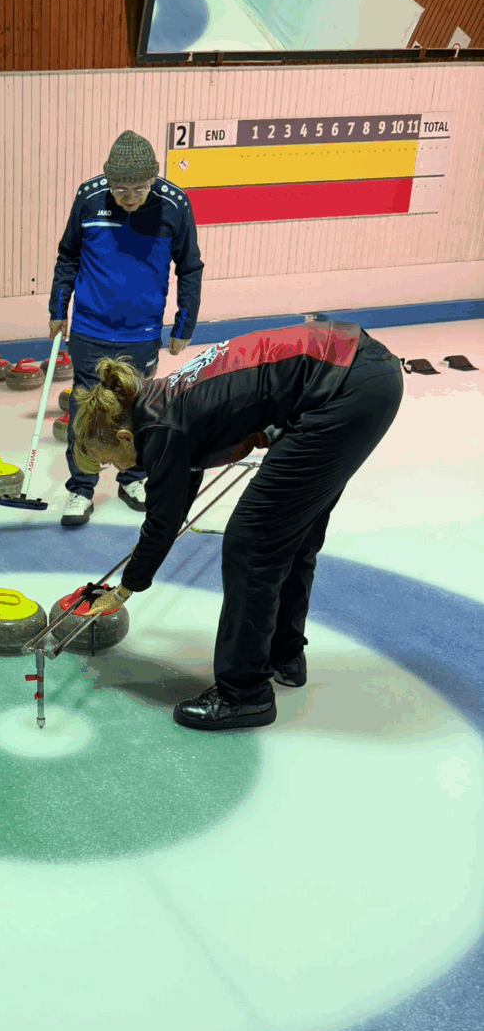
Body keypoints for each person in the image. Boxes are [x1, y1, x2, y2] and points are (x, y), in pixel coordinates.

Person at [69, 317, 404, 731]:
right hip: (361, 370)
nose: (119, 469)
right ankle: (284, 653)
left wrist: (125, 589)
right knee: (291, 532)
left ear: (123, 437)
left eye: (111, 462)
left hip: (342, 388)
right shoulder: (161, 399)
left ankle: (244, 695)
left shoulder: (160, 428)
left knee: (251, 543)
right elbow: (179, 495)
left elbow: (163, 521)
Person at [50, 129, 203, 523]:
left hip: (141, 332)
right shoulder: (89, 197)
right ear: (108, 180)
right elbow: (68, 255)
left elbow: (189, 267)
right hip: (90, 328)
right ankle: (81, 488)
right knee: (85, 411)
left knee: (137, 411)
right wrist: (58, 308)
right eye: (120, 189)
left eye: (138, 188)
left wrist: (184, 324)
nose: (129, 197)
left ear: (153, 178)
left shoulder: (174, 204)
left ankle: (132, 477)